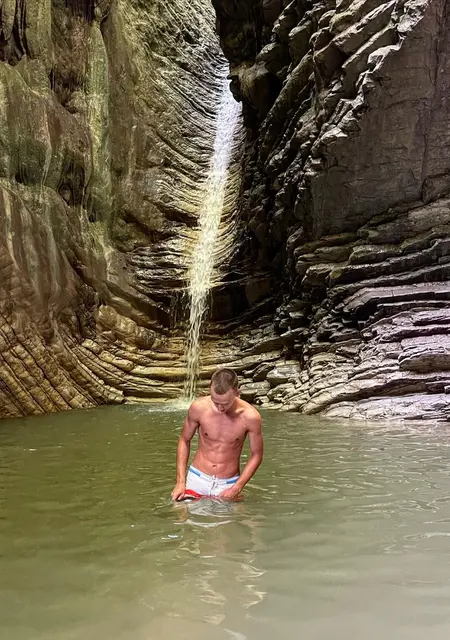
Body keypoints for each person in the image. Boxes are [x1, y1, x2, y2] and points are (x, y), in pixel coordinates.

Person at [171, 368, 263, 501]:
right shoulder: (199, 407)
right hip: (197, 478)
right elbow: (184, 440)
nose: (220, 408)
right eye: (215, 402)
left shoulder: (250, 417)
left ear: (237, 393)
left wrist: (237, 487)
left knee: (237, 514)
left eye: (225, 403)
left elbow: (257, 455)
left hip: (228, 484)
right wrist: (180, 482)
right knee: (180, 512)